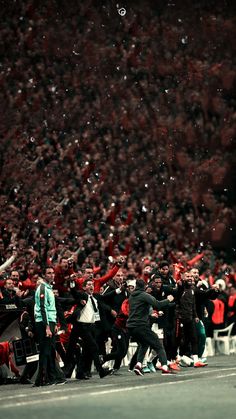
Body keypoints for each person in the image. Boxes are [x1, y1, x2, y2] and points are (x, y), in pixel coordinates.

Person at [127, 279, 175, 375]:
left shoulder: (131, 296)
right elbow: (158, 304)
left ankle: (138, 365)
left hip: (131, 327)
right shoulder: (144, 295)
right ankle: (165, 367)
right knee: (158, 345)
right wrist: (168, 300)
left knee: (144, 344)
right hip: (141, 325)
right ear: (145, 286)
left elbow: (138, 310)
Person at [34, 266, 66, 386]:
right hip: (43, 323)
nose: (52, 275)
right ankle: (42, 380)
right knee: (45, 351)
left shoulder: (48, 288)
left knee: (50, 350)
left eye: (53, 273)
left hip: (50, 322)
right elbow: (43, 308)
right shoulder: (42, 288)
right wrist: (47, 326)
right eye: (49, 273)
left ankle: (51, 378)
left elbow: (51, 308)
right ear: (44, 275)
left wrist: (54, 324)